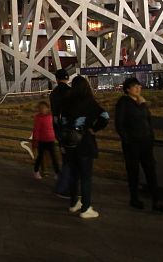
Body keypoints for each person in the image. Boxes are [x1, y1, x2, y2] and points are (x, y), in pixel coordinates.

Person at [115, 76, 163, 213]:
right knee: (133, 172)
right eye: (135, 86)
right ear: (127, 89)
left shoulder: (140, 101)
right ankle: (134, 199)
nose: (139, 88)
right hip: (132, 144)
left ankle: (156, 201)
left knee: (151, 171)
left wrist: (151, 137)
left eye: (139, 86)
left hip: (145, 142)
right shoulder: (124, 103)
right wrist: (126, 139)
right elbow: (119, 124)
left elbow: (147, 120)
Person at [61, 75, 109, 219]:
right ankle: (86, 207)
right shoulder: (89, 102)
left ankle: (74, 203)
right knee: (86, 177)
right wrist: (94, 128)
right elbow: (105, 116)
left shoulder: (66, 101)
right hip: (85, 143)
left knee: (74, 175)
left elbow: (61, 121)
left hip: (70, 143)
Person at [50, 68, 72, 197]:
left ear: (56, 79)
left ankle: (63, 184)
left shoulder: (54, 94)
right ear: (68, 78)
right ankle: (63, 187)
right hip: (70, 128)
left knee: (66, 158)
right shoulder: (71, 92)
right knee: (70, 160)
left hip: (59, 127)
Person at [31, 101, 60, 179]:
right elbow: (36, 130)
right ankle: (36, 171)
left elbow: (56, 126)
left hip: (51, 140)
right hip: (41, 141)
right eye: (40, 108)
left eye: (43, 108)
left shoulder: (51, 116)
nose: (41, 110)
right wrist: (35, 141)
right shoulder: (38, 118)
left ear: (47, 108)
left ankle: (57, 173)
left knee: (54, 157)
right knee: (40, 157)